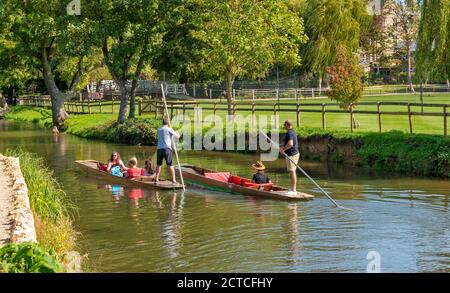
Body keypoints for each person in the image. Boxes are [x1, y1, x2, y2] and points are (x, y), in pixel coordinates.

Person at [154, 118, 180, 184]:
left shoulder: (159, 129)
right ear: (168, 123)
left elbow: (168, 136)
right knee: (170, 165)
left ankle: (156, 178)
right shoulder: (169, 129)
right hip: (167, 149)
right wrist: (176, 132)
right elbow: (177, 137)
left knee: (159, 164)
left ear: (162, 123)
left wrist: (171, 133)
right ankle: (173, 179)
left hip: (159, 149)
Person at [279, 120, 300, 195]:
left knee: (292, 171)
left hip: (292, 155)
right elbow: (288, 142)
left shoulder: (289, 133)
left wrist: (283, 149)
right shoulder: (292, 131)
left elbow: (290, 144)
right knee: (292, 171)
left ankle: (294, 190)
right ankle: (293, 189)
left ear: (287, 125)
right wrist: (282, 146)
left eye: (284, 125)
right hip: (292, 154)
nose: (284, 126)